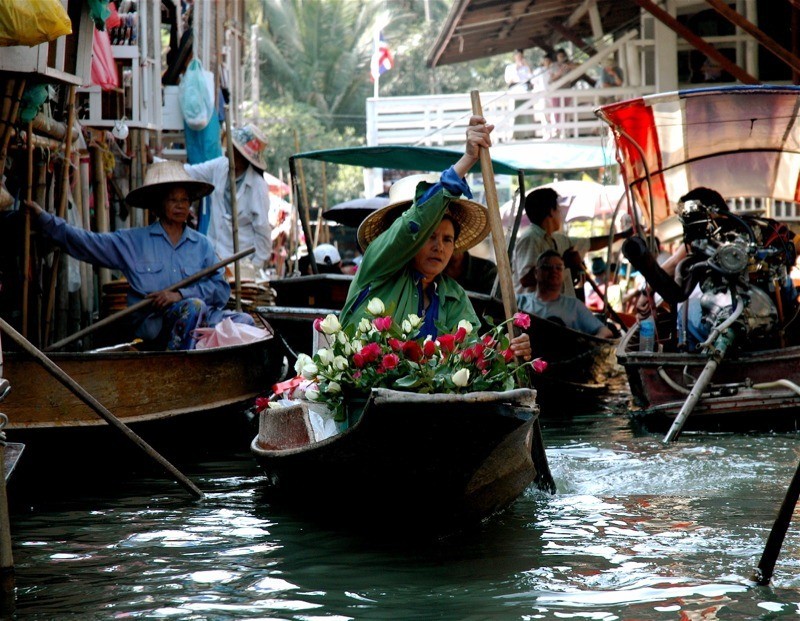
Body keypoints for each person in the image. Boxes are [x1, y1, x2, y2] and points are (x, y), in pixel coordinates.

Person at [339, 115, 532, 359]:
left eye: (447, 239)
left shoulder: (453, 295)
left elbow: (471, 354)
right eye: (430, 236)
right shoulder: (379, 266)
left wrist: (510, 351)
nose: (439, 247)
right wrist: (468, 159)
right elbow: (413, 225)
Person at [26, 161, 255, 350]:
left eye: (184, 199)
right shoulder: (134, 241)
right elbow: (87, 243)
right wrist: (45, 220)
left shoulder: (202, 245)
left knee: (246, 323)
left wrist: (180, 294)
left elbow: (221, 290)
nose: (180, 205)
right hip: (155, 329)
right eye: (173, 199)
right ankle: (178, 370)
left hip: (202, 323)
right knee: (192, 307)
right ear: (158, 205)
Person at [184, 124, 272, 276]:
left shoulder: (257, 186)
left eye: (233, 150)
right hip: (213, 258)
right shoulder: (219, 166)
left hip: (241, 265)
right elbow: (191, 172)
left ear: (243, 156)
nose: (227, 152)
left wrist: (254, 268)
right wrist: (156, 162)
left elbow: (263, 233)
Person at [512, 187, 629, 297]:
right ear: (551, 212)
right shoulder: (530, 238)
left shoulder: (558, 239)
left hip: (558, 312)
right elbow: (525, 280)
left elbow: (590, 243)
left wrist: (624, 235)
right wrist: (562, 263)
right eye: (558, 209)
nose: (560, 214)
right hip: (538, 314)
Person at [517, 250, 614, 338]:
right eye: (547, 267)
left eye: (558, 268)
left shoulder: (574, 305)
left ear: (563, 273)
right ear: (536, 273)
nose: (554, 271)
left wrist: (590, 347)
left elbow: (605, 331)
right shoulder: (519, 302)